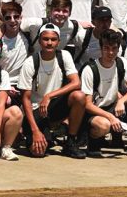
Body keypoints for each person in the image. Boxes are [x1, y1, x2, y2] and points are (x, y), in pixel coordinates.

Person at [80, 29, 127, 158]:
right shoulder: (90, 69)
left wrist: (121, 101)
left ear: (118, 49)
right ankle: (91, 140)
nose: (110, 52)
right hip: (95, 111)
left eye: (114, 48)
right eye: (106, 48)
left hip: (113, 106)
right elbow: (87, 105)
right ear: (101, 48)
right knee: (104, 125)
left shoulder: (121, 63)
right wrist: (111, 117)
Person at [18, 23, 87, 159]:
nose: (49, 43)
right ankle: (47, 134)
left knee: (79, 96)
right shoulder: (30, 62)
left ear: (58, 42)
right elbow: (25, 99)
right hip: (36, 111)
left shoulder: (64, 56)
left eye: (53, 39)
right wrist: (35, 131)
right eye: (45, 39)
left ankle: (71, 141)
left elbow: (76, 82)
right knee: (38, 152)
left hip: (54, 106)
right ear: (39, 41)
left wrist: (49, 96)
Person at [21, 0, 85, 55]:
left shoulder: (73, 27)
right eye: (57, 10)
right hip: (33, 60)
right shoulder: (37, 24)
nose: (60, 14)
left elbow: (86, 40)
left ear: (70, 13)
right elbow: (19, 25)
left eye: (65, 11)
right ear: (51, 11)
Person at [0, 2, 29, 103]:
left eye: (16, 17)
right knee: (7, 101)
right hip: (2, 84)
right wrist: (6, 86)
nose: (12, 20)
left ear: (21, 17)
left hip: (22, 84)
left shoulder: (28, 36)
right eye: (8, 18)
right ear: (3, 20)